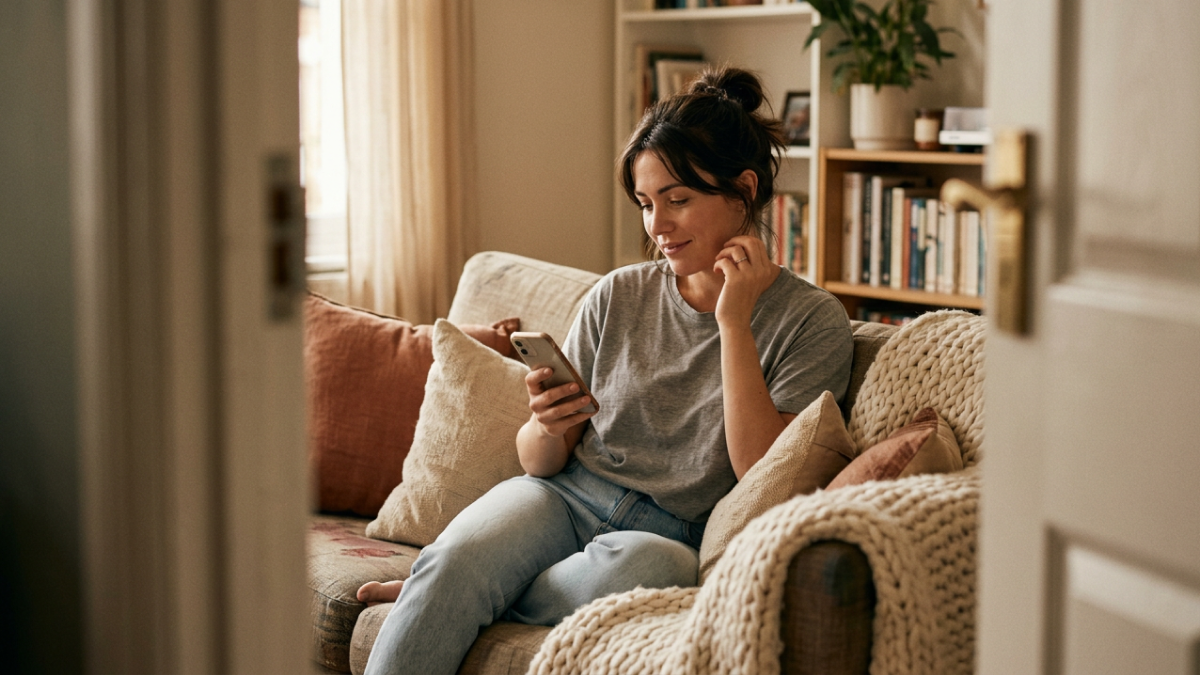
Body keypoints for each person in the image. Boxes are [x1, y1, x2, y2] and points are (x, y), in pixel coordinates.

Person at [358, 66, 854, 675]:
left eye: (679, 200)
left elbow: (760, 470)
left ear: (743, 190)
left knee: (640, 569)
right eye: (647, 204)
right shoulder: (617, 294)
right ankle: (447, 585)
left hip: (671, 537)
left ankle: (445, 594)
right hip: (562, 496)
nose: (657, 227)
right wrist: (545, 422)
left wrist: (733, 324)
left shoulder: (813, 321)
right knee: (455, 560)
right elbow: (540, 462)